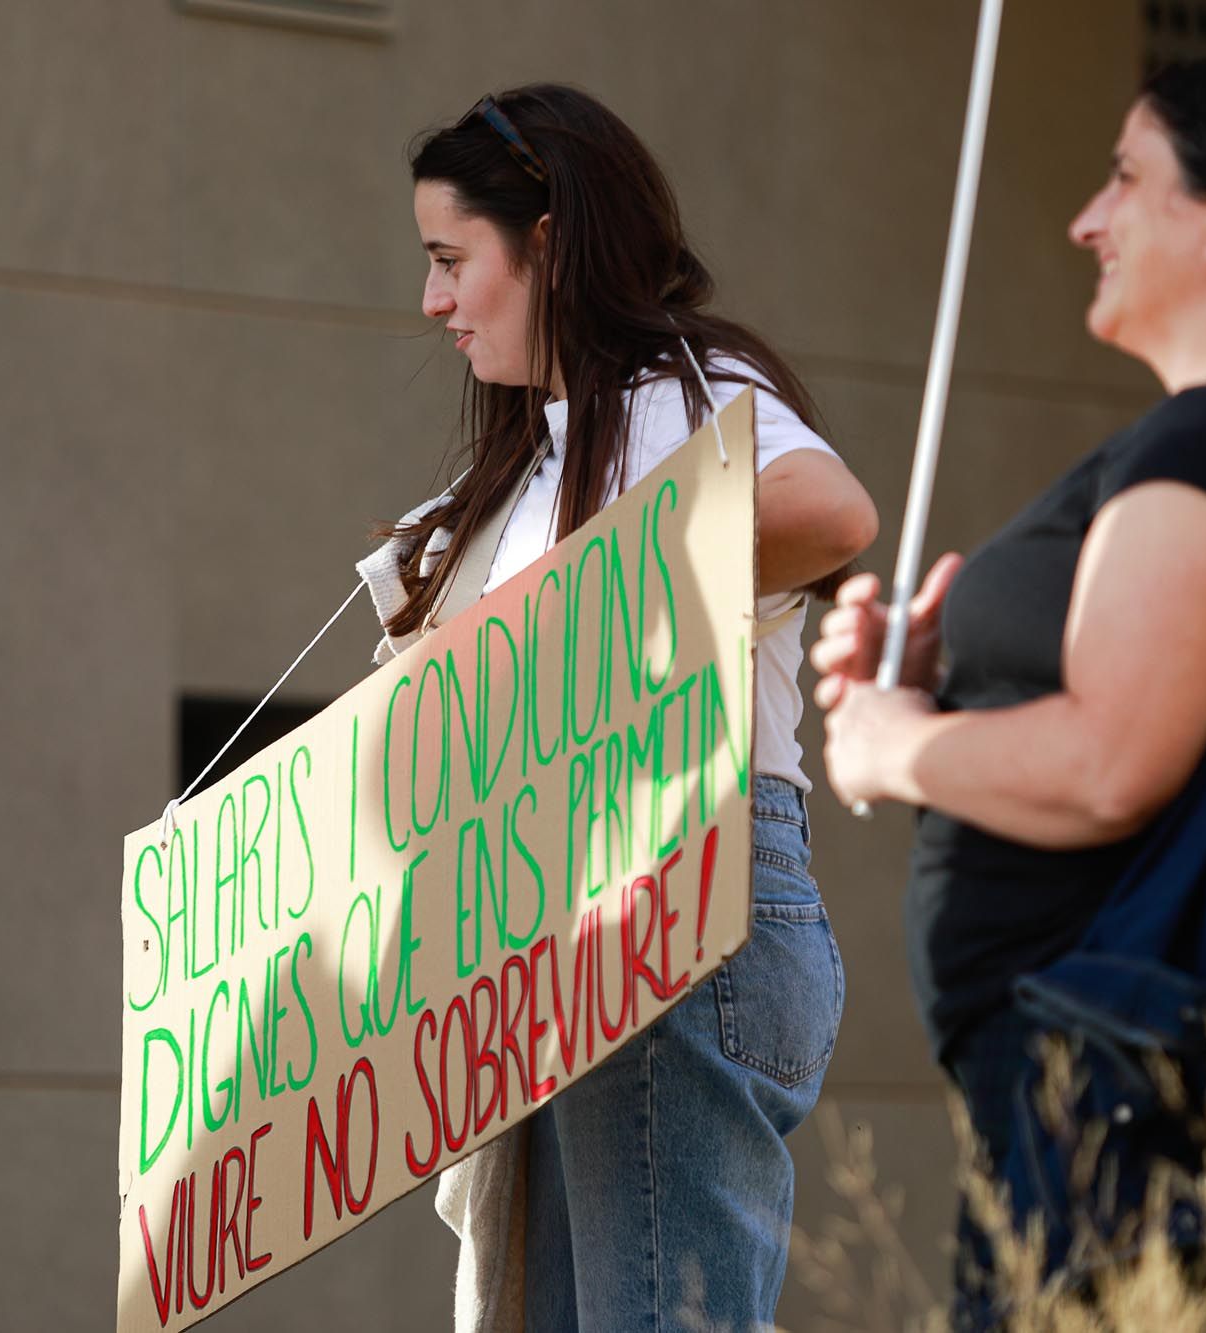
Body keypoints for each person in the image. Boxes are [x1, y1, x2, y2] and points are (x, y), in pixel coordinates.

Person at [812, 53, 1206, 1322]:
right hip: (1119, 1078)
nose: (1087, 219)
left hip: (1111, 1093)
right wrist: (952, 676)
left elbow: (1113, 762)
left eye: (1124, 178)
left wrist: (897, 743)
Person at [359, 84, 878, 1332]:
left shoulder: (672, 391)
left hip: (670, 896)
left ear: (545, 242)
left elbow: (832, 512)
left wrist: (553, 618)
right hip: (568, 920)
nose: (431, 301)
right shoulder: (541, 448)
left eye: (449, 260)